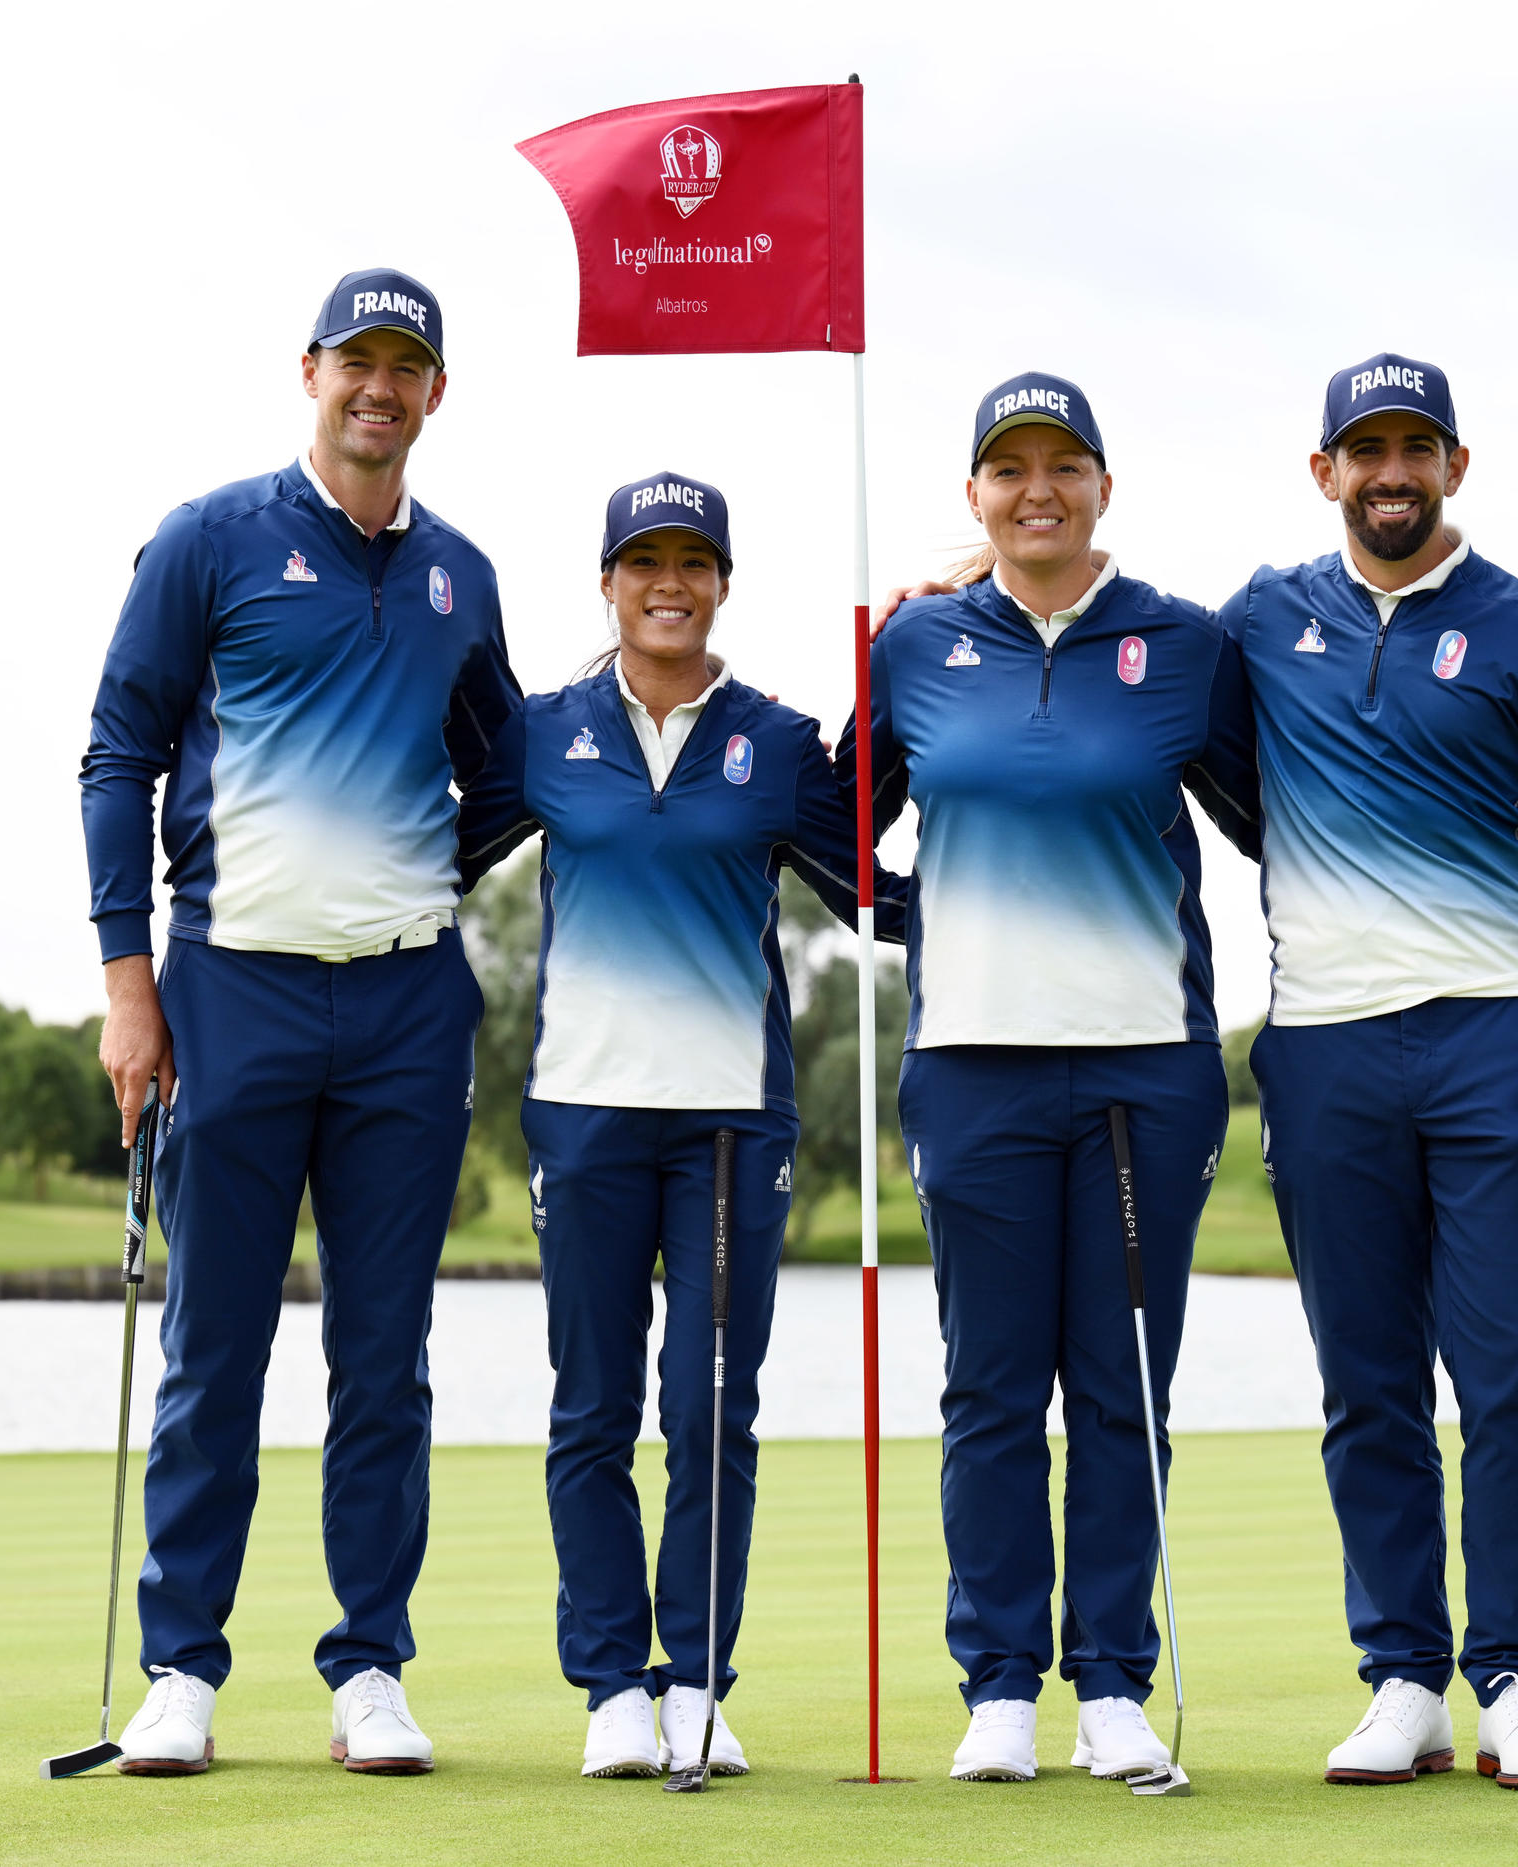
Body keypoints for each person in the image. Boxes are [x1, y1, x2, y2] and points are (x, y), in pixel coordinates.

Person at [1217, 352, 1518, 1791]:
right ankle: (1405, 1674)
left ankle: (1514, 1679)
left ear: (1456, 468)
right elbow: (1189, 748)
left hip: (1499, 1038)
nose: (1391, 473)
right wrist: (949, 603)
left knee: (1516, 1369)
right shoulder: (1260, 621)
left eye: (1416, 447)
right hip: (1324, 1048)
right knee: (1365, 1381)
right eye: (1366, 451)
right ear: (1325, 475)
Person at [78, 269, 519, 1777]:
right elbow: (117, 753)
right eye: (357, 361)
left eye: (408, 365)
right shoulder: (211, 539)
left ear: (436, 392)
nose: (379, 388)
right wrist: (126, 981)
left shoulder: (462, 574)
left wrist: (408, 870)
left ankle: (369, 1667)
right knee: (216, 1352)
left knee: (384, 1361)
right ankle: (182, 1669)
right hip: (232, 988)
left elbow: (508, 774)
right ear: (311, 371)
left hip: (406, 1003)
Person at [456, 473, 898, 1782]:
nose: (667, 581)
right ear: (606, 581)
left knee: (711, 1410)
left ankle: (697, 1682)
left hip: (727, 1126)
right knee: (591, 1410)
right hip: (586, 1114)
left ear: (721, 584)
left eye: (692, 560)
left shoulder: (775, 739)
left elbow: (872, 888)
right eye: (642, 559)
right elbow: (431, 862)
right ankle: (610, 1688)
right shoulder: (547, 735)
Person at [850, 374, 1260, 1783]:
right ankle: (1001, 1688)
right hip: (972, 1066)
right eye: (1009, 468)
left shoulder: (1184, 645)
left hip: (1147, 1067)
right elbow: (833, 830)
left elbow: (1283, 817)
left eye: (1064, 466)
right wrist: (936, 916)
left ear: (1102, 485)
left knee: (1120, 1385)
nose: (1038, 490)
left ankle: (1113, 1688)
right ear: (973, 495)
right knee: (991, 1387)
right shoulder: (913, 644)